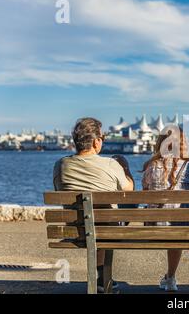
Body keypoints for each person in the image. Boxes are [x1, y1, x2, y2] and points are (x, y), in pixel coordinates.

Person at [53, 117, 134, 293]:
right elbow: (129, 190)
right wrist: (125, 169)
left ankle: (101, 279)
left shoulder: (61, 165)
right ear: (97, 141)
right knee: (109, 218)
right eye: (102, 138)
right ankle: (103, 279)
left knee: (96, 221)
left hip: (77, 229)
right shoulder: (111, 164)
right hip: (109, 229)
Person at [141, 126, 189, 292]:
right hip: (181, 227)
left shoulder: (150, 165)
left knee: (174, 220)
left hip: (154, 227)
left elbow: (145, 195)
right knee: (180, 218)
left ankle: (170, 279)